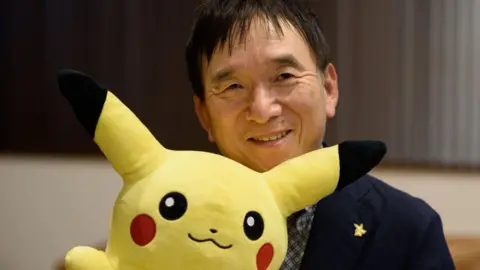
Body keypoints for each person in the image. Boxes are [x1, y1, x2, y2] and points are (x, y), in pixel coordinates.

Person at [55, 0, 455, 269]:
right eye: (231, 87)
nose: (263, 110)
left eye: (284, 76)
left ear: (329, 88)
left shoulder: (407, 228)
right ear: (204, 115)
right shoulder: (162, 219)